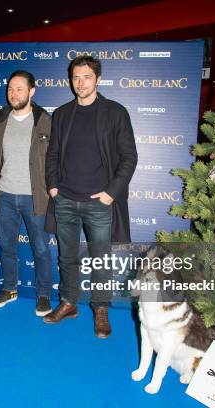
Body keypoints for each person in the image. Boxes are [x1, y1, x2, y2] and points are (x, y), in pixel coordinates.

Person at [44, 55, 137, 338]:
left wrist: (111, 193)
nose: (80, 83)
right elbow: (53, 154)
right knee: (67, 257)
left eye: (86, 77)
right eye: (75, 77)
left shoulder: (115, 112)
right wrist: (53, 187)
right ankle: (69, 302)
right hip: (65, 200)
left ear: (98, 79)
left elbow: (129, 157)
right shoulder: (61, 114)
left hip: (100, 203)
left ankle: (100, 309)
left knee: (101, 260)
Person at [0, 70, 53, 317]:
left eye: (19, 88)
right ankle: (9, 288)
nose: (13, 93)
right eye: (10, 89)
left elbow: (53, 160)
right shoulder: (0, 117)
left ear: (32, 91)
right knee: (6, 246)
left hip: (35, 197)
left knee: (41, 248)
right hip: (5, 195)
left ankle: (44, 294)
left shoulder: (45, 120)